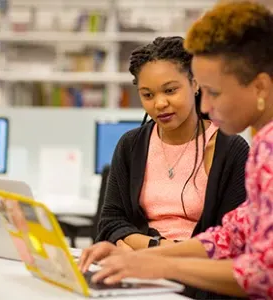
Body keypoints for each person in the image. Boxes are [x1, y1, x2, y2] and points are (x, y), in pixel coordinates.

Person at [79, 2, 273, 299]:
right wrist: (143, 259)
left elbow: (263, 275)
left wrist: (158, 266)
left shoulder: (259, 149)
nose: (206, 107)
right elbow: (232, 234)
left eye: (214, 92)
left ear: (259, 87)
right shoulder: (264, 145)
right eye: (147, 94)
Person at [96, 36, 248, 250]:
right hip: (137, 268)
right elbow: (110, 222)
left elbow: (232, 238)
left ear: (195, 83)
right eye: (147, 95)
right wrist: (153, 246)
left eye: (170, 90)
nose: (159, 104)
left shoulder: (230, 149)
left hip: (198, 271)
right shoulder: (130, 145)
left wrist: (161, 252)